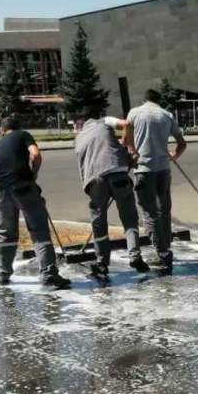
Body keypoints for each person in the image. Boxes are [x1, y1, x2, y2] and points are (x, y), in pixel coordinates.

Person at [0, 116, 71, 289]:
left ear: (2, 131)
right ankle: (49, 274)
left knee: (6, 232)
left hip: (0, 191)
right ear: (18, 127)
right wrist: (33, 175)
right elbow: (35, 154)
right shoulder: (23, 135)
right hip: (22, 186)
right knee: (39, 229)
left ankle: (2, 274)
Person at [73, 107, 150, 278]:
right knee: (130, 219)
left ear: (80, 123)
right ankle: (135, 256)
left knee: (99, 224)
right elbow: (126, 124)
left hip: (95, 181)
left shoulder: (78, 137)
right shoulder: (104, 122)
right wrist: (131, 149)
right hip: (118, 174)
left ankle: (102, 264)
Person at [128, 89, 188, 273]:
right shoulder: (167, 115)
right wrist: (173, 156)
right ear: (159, 101)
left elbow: (126, 139)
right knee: (164, 209)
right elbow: (182, 143)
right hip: (163, 168)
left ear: (144, 99)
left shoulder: (134, 113)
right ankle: (166, 247)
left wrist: (131, 152)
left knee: (149, 211)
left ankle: (162, 251)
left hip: (144, 168)